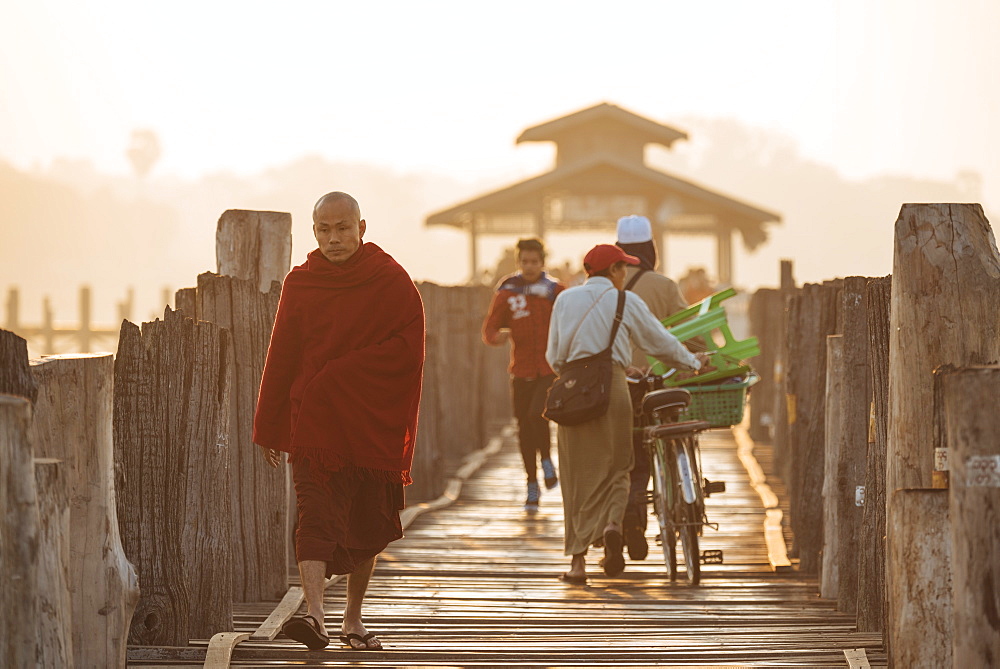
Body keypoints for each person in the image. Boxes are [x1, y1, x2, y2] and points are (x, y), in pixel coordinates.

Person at [253, 191, 425, 651]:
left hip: (369, 424)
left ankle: (352, 618)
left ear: (362, 228)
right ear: (314, 233)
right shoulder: (301, 283)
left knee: (366, 519)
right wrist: (270, 425)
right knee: (315, 513)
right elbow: (282, 354)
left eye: (342, 228)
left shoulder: (389, 280)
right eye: (324, 230)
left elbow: (409, 349)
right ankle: (315, 617)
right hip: (313, 423)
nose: (334, 238)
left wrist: (340, 375)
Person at [546, 244, 709, 583]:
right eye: (624, 269)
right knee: (618, 466)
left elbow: (555, 356)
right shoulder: (625, 301)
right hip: (614, 388)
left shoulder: (564, 300)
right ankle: (611, 525)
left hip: (574, 390)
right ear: (616, 271)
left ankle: (577, 565)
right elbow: (659, 342)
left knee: (576, 476)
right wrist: (692, 363)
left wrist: (582, 371)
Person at [615, 214, 692, 561]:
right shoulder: (664, 285)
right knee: (651, 450)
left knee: (623, 457)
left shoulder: (608, 285)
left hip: (616, 384)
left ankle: (626, 514)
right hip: (659, 385)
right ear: (650, 249)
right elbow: (692, 333)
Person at [482, 238, 566, 512]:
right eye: (525, 262)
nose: (529, 267)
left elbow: (569, 322)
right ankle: (532, 483)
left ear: (543, 263)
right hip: (520, 370)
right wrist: (498, 337)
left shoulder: (555, 291)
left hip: (548, 368)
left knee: (536, 415)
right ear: (518, 263)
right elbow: (490, 329)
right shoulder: (507, 292)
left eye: (534, 262)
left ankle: (547, 460)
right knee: (523, 429)